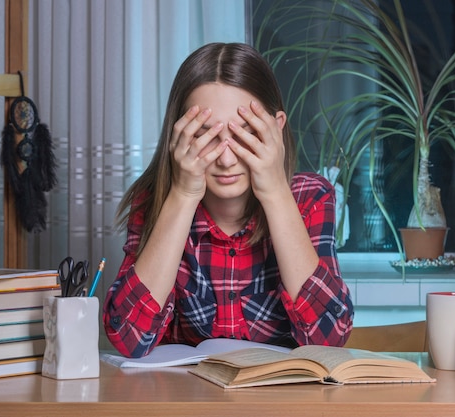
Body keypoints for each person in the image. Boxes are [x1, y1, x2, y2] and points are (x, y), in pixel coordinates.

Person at [103, 42, 354, 358]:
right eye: (204, 136)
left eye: (243, 136)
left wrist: (276, 193)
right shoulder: (153, 202)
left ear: (275, 131)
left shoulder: (311, 198)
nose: (225, 160)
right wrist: (182, 195)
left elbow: (328, 339)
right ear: (177, 136)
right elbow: (128, 337)